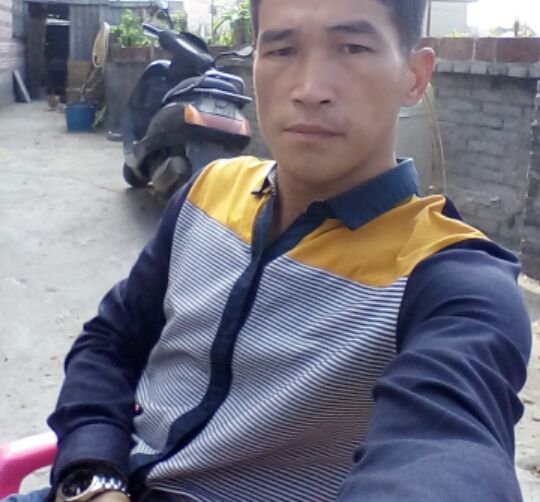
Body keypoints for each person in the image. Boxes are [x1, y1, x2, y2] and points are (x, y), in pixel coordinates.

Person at [4, 0, 531, 500]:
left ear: (414, 76)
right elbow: (110, 342)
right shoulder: (209, 192)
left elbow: (448, 450)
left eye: (352, 48)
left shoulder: (447, 278)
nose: (310, 89)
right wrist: (93, 470)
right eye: (281, 50)